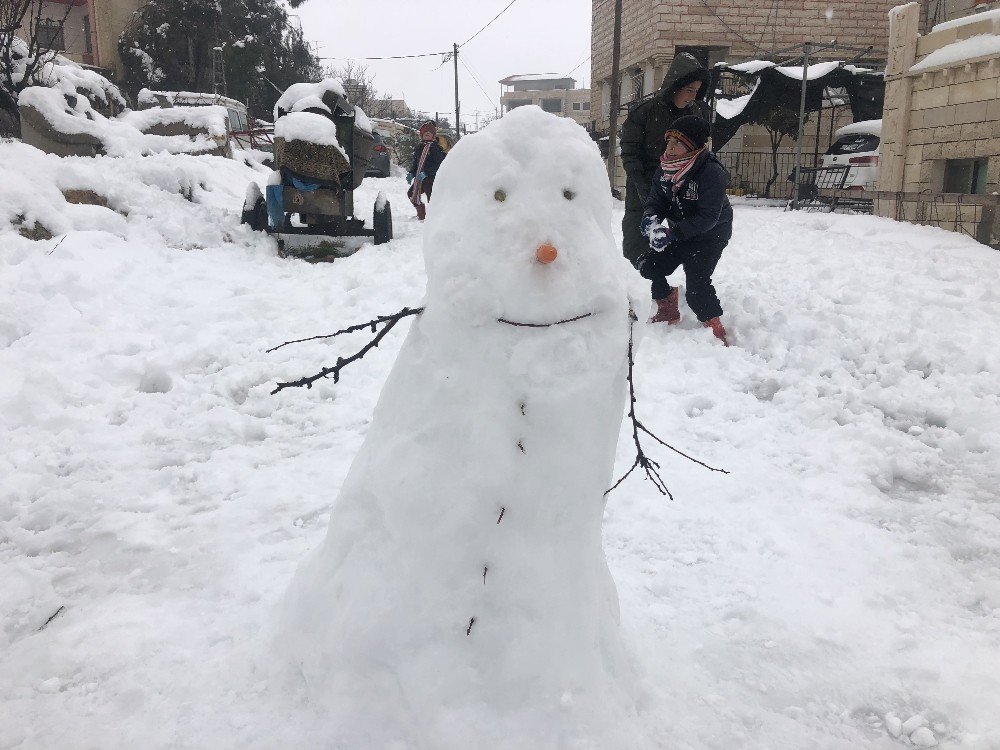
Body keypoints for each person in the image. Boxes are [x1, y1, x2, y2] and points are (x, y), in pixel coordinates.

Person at [637, 115, 733, 346]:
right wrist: (651, 221)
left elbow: (708, 217)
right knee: (649, 266)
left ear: (693, 147)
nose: (670, 148)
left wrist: (673, 234)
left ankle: (714, 326)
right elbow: (655, 202)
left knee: (697, 287)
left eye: (678, 143)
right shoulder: (664, 170)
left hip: (710, 236)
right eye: (668, 141)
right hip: (680, 232)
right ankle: (668, 305)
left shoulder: (711, 172)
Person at [619, 52, 711, 266]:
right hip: (645, 180)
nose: (692, 96)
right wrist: (641, 185)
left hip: (680, 183)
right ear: (676, 85)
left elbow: (700, 150)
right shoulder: (645, 112)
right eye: (689, 90)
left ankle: (670, 272)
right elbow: (630, 151)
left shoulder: (694, 114)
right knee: (639, 231)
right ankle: (639, 272)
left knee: (681, 233)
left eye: (696, 91)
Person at [406, 120, 446, 220]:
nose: (427, 135)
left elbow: (439, 164)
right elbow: (416, 163)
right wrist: (411, 173)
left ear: (433, 136)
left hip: (431, 179)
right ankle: (422, 214)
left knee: (432, 199)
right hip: (420, 179)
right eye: (425, 134)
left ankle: (435, 218)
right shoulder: (420, 147)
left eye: (430, 134)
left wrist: (426, 172)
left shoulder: (435, 148)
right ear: (421, 135)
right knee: (412, 194)